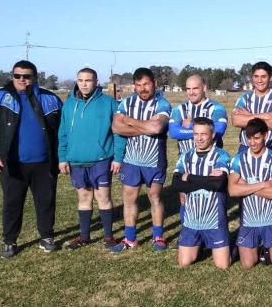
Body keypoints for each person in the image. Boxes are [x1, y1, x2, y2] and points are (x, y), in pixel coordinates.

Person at [0, 60, 63, 258]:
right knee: (12, 203)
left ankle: (47, 237)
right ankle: (10, 241)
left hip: (44, 163)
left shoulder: (50, 99)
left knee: (46, 202)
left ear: (35, 77)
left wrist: (62, 156)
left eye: (27, 76)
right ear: (12, 76)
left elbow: (63, 129)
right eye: (17, 76)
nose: (22, 79)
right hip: (13, 164)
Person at [57, 68, 126, 250]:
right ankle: (84, 236)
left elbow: (118, 133)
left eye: (88, 80)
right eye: (80, 80)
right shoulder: (69, 104)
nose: (84, 83)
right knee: (84, 197)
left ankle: (109, 236)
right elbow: (62, 133)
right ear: (77, 81)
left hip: (101, 159)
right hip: (77, 160)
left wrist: (117, 158)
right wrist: (62, 157)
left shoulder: (109, 103)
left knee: (103, 197)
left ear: (96, 82)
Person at [110, 68, 172, 252]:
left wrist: (129, 121)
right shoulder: (126, 103)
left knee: (155, 197)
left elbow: (156, 128)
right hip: (131, 160)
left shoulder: (162, 103)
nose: (142, 88)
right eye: (138, 85)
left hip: (154, 159)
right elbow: (115, 126)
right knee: (129, 199)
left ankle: (158, 237)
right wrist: (144, 127)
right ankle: (130, 239)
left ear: (153, 83)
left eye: (145, 84)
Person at [169, 118, 231, 269]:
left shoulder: (221, 155)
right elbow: (176, 184)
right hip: (191, 220)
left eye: (203, 134)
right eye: (196, 134)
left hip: (214, 219)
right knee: (184, 263)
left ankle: (230, 246)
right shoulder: (186, 156)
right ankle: (199, 243)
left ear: (213, 134)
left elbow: (218, 183)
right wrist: (207, 180)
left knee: (222, 265)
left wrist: (189, 178)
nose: (199, 138)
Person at [168, 74, 228, 230]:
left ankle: (212, 233)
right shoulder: (179, 109)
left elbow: (219, 130)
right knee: (184, 198)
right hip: (187, 162)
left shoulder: (216, 108)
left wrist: (189, 126)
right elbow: (173, 132)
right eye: (188, 89)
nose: (191, 92)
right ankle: (188, 232)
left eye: (195, 88)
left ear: (204, 88)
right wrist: (198, 129)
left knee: (210, 197)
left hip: (211, 162)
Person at [228, 119, 272, 270]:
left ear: (265, 136)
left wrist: (245, 185)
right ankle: (257, 246)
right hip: (249, 220)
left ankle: (271, 247)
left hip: (271, 219)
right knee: (247, 264)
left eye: (256, 138)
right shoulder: (238, 159)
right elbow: (232, 190)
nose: (252, 142)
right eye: (249, 138)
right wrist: (262, 184)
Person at [231, 61, 272, 157]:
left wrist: (249, 116)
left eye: (263, 76)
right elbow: (236, 120)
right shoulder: (244, 98)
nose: (259, 80)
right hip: (247, 148)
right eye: (256, 76)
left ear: (271, 78)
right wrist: (267, 116)